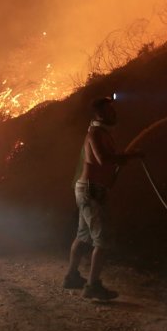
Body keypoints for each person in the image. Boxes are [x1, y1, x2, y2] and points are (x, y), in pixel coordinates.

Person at [63, 96, 142, 300]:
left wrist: (125, 156)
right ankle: (92, 286)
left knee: (83, 236)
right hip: (91, 191)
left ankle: (71, 277)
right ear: (99, 114)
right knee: (103, 240)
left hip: (89, 190)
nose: (114, 113)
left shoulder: (100, 132)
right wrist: (130, 156)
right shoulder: (96, 133)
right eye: (109, 110)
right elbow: (103, 159)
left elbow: (106, 159)